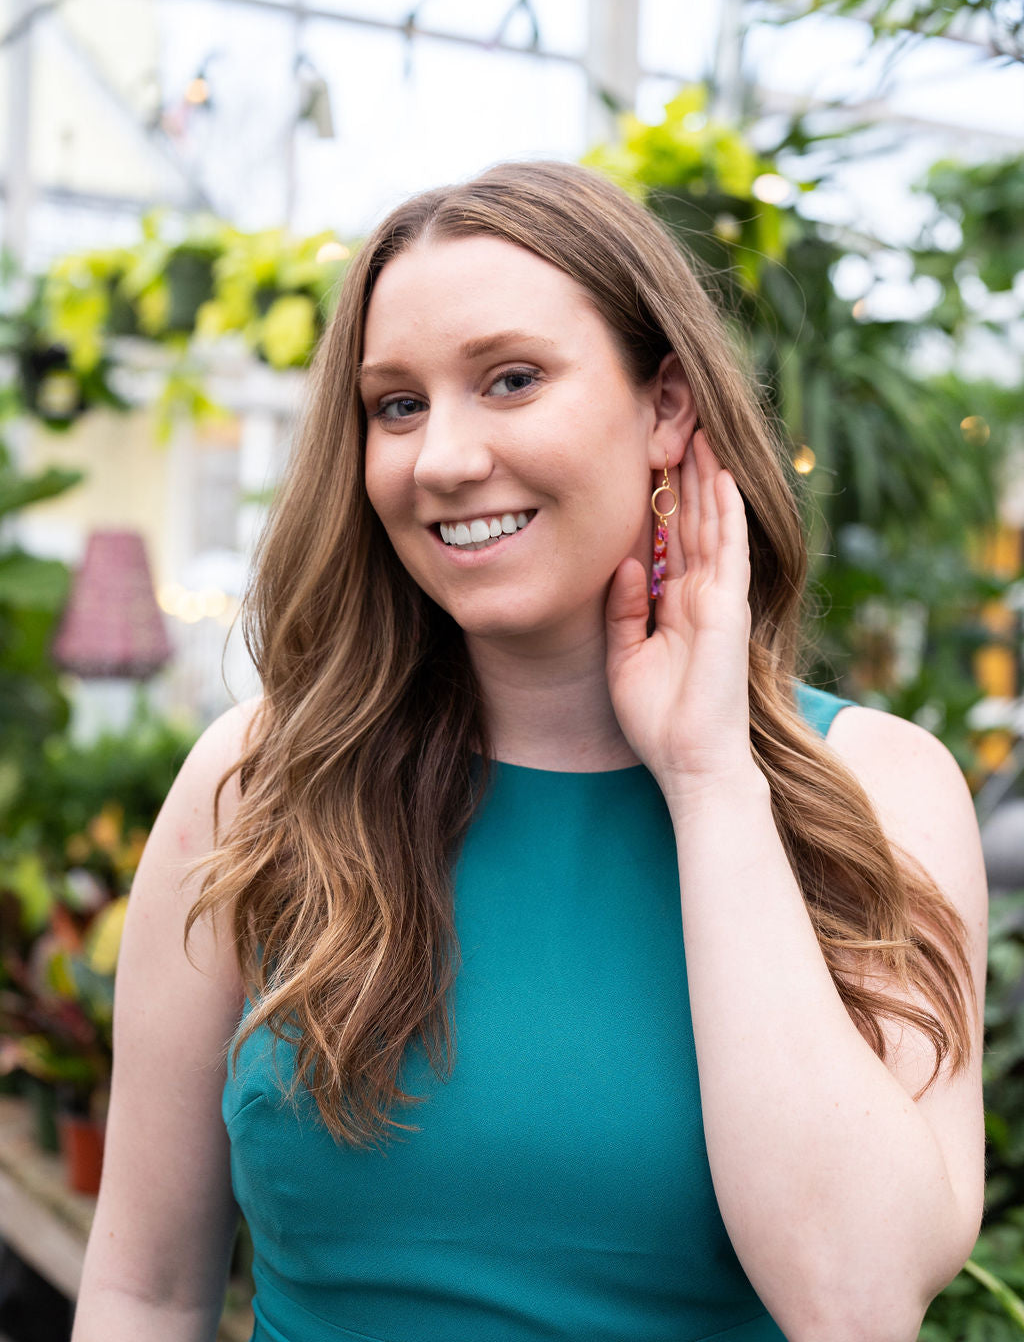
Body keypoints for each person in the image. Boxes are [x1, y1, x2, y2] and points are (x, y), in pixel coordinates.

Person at [71, 161, 987, 1342]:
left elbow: (856, 1305)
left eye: (510, 380)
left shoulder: (881, 790)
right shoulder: (256, 785)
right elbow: (144, 1290)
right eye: (397, 405)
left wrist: (709, 778)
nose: (443, 459)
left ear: (666, 407)